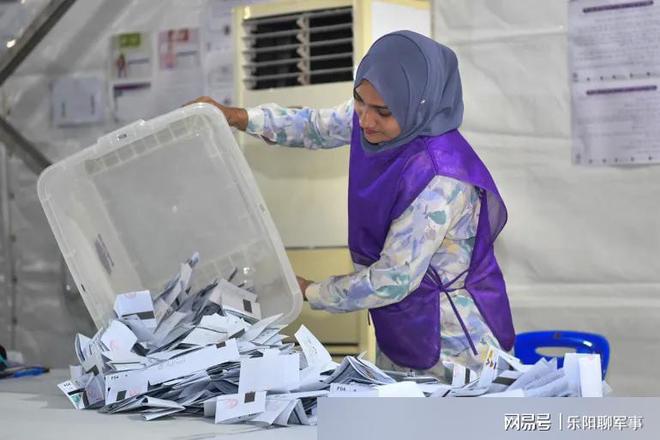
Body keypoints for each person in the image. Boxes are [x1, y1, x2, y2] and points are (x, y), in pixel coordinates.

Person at [190, 30, 515, 380]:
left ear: (418, 104)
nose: (365, 120)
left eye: (382, 111)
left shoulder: (440, 177)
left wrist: (311, 291)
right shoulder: (377, 120)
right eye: (360, 101)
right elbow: (315, 125)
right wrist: (239, 116)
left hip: (456, 346)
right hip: (402, 324)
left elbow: (393, 279)